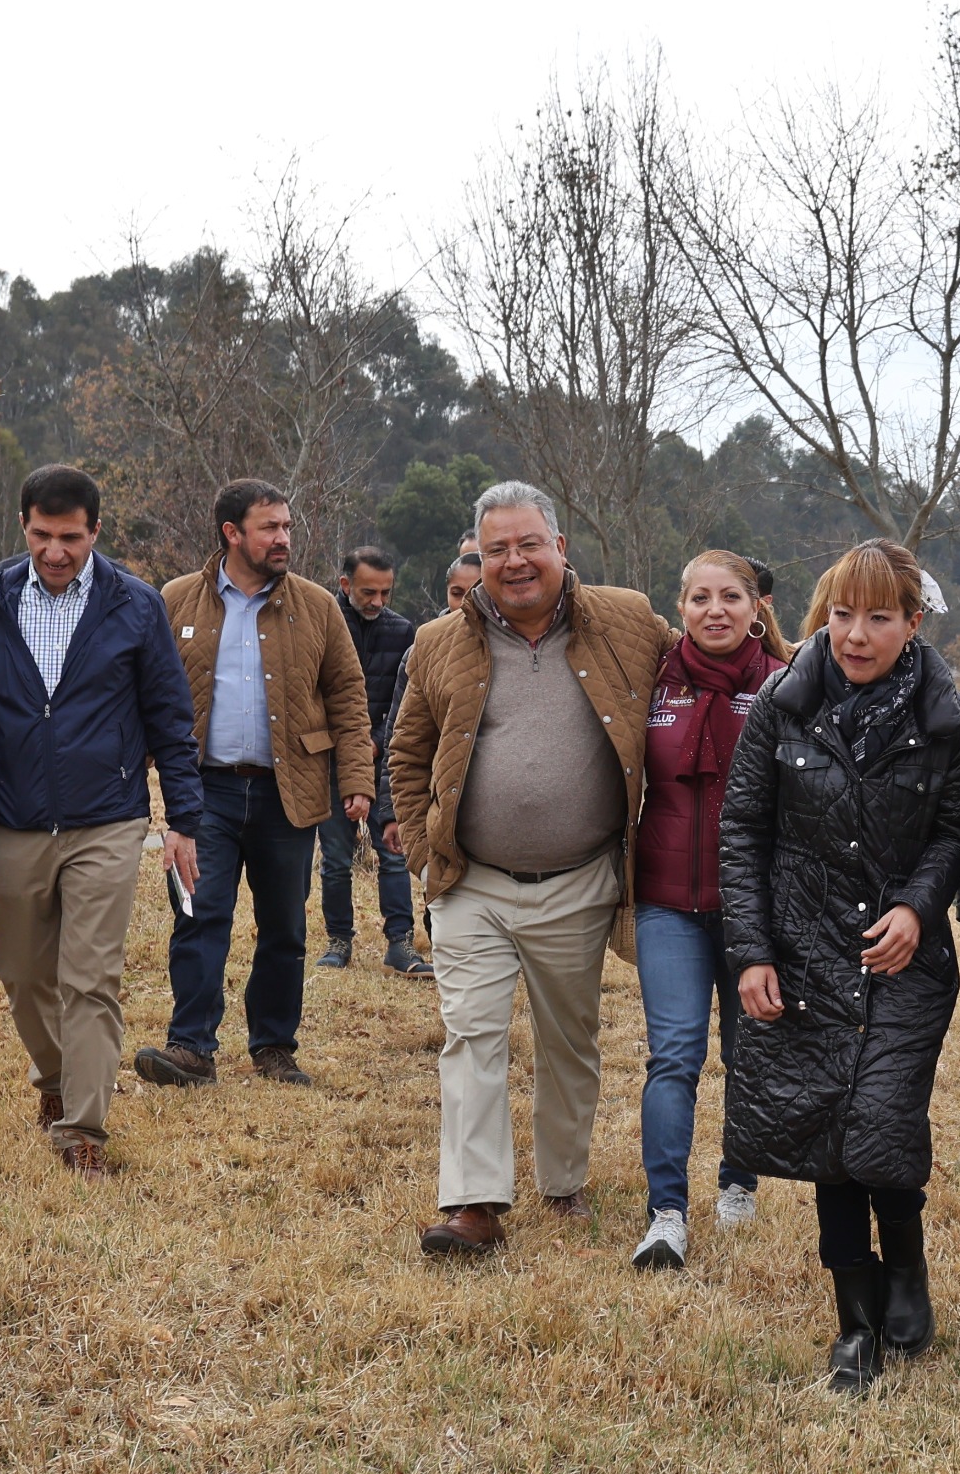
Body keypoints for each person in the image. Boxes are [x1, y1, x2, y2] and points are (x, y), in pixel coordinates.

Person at [719, 540, 960, 1393]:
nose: (855, 634)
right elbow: (743, 831)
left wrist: (916, 904)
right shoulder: (781, 707)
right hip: (803, 954)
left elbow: (956, 833)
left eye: (877, 616)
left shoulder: (949, 721)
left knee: (878, 1126)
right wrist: (753, 951)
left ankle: (906, 1264)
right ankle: (854, 1322)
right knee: (823, 1133)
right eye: (840, 614)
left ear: (913, 622)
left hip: (905, 959)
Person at [390, 481, 672, 1254]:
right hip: (471, 883)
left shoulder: (628, 621)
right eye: (495, 551)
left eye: (528, 545)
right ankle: (474, 1204)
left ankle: (563, 1181)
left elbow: (715, 670)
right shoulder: (436, 642)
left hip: (583, 880)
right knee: (471, 1034)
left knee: (570, 1040)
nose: (514, 563)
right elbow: (408, 755)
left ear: (560, 548)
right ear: (475, 560)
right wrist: (423, 852)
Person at [0, 465, 204, 1175]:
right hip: (14, 819)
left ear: (96, 530)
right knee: (21, 970)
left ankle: (83, 1130)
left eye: (70, 537)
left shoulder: (135, 604)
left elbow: (169, 716)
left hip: (107, 819)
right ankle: (57, 1078)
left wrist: (180, 819)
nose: (56, 550)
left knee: (89, 976)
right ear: (24, 527)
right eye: (42, 534)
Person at [135, 481, 376, 1091]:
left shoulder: (318, 606)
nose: (283, 539)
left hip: (288, 793)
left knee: (285, 927)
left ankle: (273, 1047)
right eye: (269, 528)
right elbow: (148, 696)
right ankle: (190, 1048)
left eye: (287, 527)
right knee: (198, 915)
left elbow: (348, 696)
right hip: (201, 794)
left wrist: (357, 782)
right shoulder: (176, 600)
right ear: (231, 533)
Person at [626, 551, 793, 1269]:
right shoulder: (651, 681)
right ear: (682, 605)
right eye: (700, 597)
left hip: (755, 905)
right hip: (666, 901)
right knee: (675, 1055)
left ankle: (739, 1180)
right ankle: (667, 1211)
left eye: (731, 597)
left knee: (749, 1052)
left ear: (757, 607)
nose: (715, 610)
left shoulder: (788, 687)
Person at [316, 544, 429, 976]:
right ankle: (338, 940)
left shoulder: (403, 633)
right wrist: (347, 745)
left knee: (395, 852)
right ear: (345, 585)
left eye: (385, 593)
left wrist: (375, 743)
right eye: (368, 592)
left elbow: (405, 704)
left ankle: (400, 943)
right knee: (336, 858)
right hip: (331, 761)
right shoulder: (324, 625)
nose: (377, 602)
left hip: (386, 760)